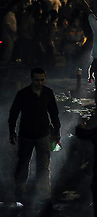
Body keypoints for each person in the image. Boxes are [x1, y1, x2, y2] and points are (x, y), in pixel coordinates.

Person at [8, 67, 61, 204]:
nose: (40, 83)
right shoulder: (23, 94)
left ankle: (43, 192)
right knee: (23, 163)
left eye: (42, 80)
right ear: (31, 79)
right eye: (37, 80)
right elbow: (13, 114)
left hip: (42, 133)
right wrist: (12, 131)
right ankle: (20, 190)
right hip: (26, 134)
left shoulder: (47, 93)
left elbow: (54, 114)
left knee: (42, 165)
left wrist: (57, 131)